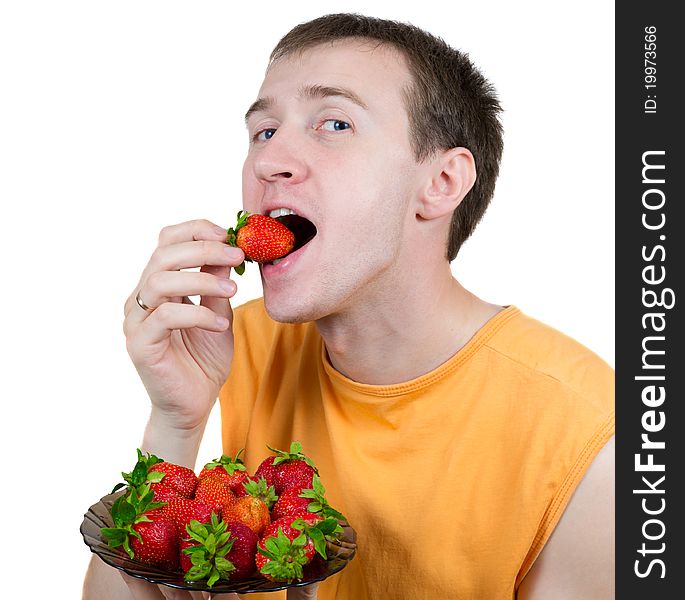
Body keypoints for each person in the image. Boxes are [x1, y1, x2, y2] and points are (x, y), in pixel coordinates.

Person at [84, 13, 614, 600]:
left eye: (334, 123)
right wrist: (175, 424)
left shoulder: (587, 437)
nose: (269, 162)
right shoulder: (235, 342)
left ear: (440, 182)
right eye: (263, 132)